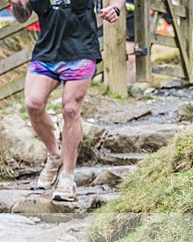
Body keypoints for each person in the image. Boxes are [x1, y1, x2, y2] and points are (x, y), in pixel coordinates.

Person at [9, 0, 125, 201]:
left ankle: (67, 177)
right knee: (33, 104)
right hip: (47, 52)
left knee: (70, 109)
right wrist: (17, 4)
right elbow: (23, 16)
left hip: (81, 49)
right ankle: (54, 155)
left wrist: (115, 8)